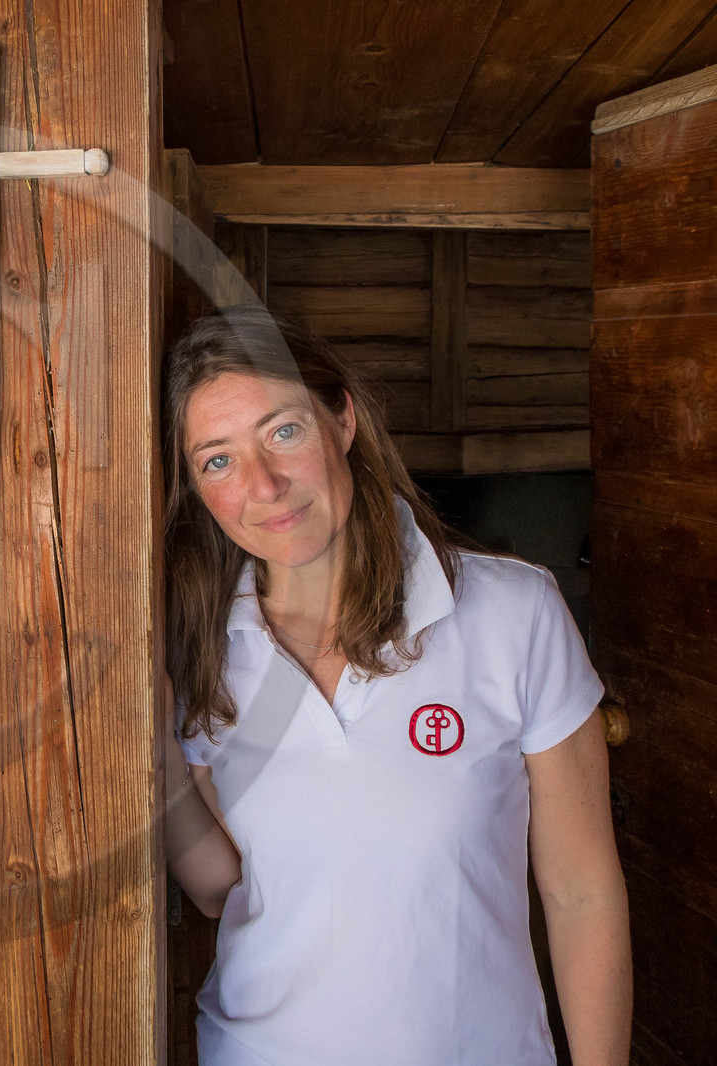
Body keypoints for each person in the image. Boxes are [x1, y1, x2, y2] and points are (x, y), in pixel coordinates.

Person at [161, 306, 631, 1066]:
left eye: (284, 431)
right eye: (216, 460)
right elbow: (221, 887)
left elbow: (582, 892)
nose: (264, 485)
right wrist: (151, 743)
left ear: (343, 420)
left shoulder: (513, 612)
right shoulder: (207, 652)